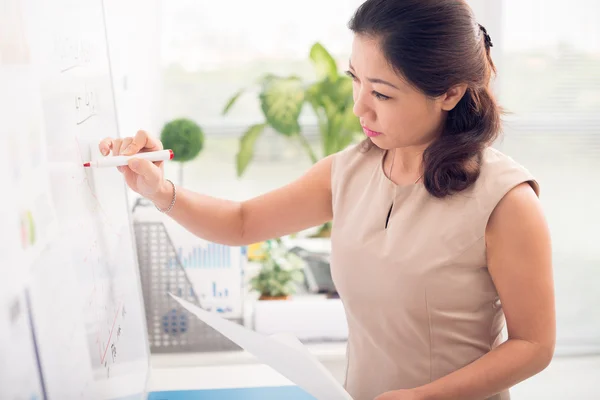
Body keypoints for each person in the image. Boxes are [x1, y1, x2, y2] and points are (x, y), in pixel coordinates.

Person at [100, 0, 555, 398]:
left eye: (381, 93)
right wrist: (160, 190)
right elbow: (241, 223)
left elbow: (534, 345)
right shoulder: (350, 169)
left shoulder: (506, 201)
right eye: (356, 80)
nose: (360, 107)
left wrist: (425, 397)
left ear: (450, 93)